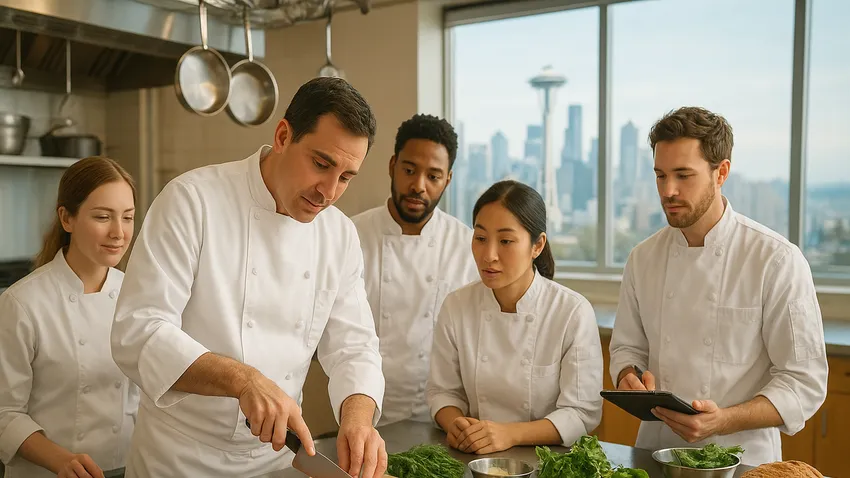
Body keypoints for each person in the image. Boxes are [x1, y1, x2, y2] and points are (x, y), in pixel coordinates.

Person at [110, 78, 387, 478]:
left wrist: (358, 418)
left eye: (346, 177)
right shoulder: (193, 200)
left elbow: (354, 345)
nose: (329, 191)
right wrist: (243, 379)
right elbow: (138, 331)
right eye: (322, 164)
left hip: (276, 460)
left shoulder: (338, 235)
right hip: (181, 459)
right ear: (282, 135)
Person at [609, 106, 828, 466]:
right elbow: (627, 349)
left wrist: (722, 420)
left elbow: (804, 381)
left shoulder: (775, 260)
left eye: (683, 175)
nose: (669, 190)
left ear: (721, 172)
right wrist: (628, 376)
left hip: (743, 460)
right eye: (660, 176)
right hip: (654, 454)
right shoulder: (642, 258)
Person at [426, 180, 603, 455]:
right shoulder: (457, 306)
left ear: (537, 245)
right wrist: (456, 425)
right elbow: (443, 392)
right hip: (474, 457)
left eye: (506, 241)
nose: (489, 255)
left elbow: (581, 413)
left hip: (548, 462)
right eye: (481, 238)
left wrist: (509, 434)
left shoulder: (571, 312)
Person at [0, 157, 139, 478]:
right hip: (47, 472)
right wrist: (61, 460)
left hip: (130, 466)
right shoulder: (23, 303)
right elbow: (5, 412)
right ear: (67, 218)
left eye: (128, 217)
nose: (119, 233)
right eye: (103, 217)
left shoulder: (137, 296)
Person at [352, 114, 478, 426]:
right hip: (363, 411)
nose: (418, 186)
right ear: (393, 166)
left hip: (443, 417)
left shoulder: (466, 245)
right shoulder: (352, 235)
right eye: (409, 170)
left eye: (433, 177)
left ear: (447, 180)